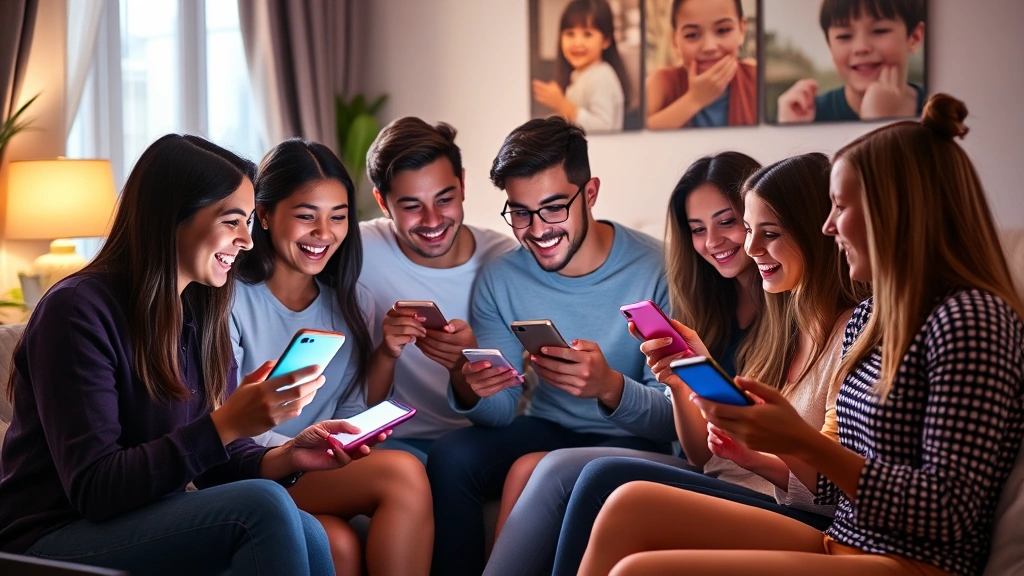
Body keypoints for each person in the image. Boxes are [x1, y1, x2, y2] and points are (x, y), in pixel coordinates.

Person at [579, 94, 1024, 576]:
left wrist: (802, 441)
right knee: (631, 504)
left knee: (638, 570)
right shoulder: (873, 318)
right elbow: (833, 481)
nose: (829, 228)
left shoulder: (972, 320)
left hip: (913, 562)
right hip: (844, 540)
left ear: (895, 213)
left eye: (841, 208)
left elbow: (948, 508)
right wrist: (765, 446)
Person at [490, 153, 867, 576]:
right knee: (565, 472)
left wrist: (764, 447)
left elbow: (833, 480)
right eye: (700, 229)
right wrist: (683, 378)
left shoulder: (842, 331)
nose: (743, 245)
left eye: (737, 225)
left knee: (597, 478)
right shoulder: (773, 322)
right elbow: (705, 455)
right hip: (739, 477)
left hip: (781, 500)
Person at [0, 134, 361, 575]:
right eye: (232, 221)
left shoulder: (201, 313)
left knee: (306, 528)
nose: (247, 240)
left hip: (137, 517)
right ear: (172, 218)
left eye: (248, 220)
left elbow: (212, 465)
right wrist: (226, 423)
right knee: (262, 507)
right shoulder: (76, 310)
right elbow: (95, 489)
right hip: (49, 536)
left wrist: (287, 457)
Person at [427, 117, 675, 576]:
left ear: (591, 193)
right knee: (450, 457)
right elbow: (500, 411)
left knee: (544, 468)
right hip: (547, 425)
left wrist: (609, 386)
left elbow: (672, 421)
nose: (537, 229)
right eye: (520, 212)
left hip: (635, 438)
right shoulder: (502, 279)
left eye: (554, 207)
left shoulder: (658, 269)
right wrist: (468, 384)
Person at [231, 138, 433, 576]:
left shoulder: (351, 302)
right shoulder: (229, 302)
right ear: (263, 215)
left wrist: (386, 355)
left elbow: (352, 409)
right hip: (249, 468)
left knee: (336, 544)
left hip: (317, 467)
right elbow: (219, 421)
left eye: (338, 217)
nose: (324, 233)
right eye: (307, 216)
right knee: (403, 472)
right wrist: (295, 449)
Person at [359, 117, 518, 464]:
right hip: (390, 440)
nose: (432, 221)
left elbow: (510, 404)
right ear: (383, 203)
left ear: (462, 184)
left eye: (444, 199)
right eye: (412, 206)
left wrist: (464, 364)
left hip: (478, 442)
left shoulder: (504, 260)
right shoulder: (356, 249)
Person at [777, 0, 925, 123]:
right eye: (844, 36)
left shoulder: (935, 109)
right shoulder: (808, 116)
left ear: (915, 37)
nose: (861, 48)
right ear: (830, 45)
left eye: (879, 31)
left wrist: (876, 123)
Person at [646, 0, 757, 129]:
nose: (709, 47)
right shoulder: (660, 82)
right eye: (692, 35)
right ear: (675, 41)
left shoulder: (755, 78)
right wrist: (695, 99)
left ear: (742, 30)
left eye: (723, 30)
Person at [533, 0, 629, 133]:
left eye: (587, 34)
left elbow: (604, 127)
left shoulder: (602, 76)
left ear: (606, 40)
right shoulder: (580, 76)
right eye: (570, 34)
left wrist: (562, 104)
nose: (577, 42)